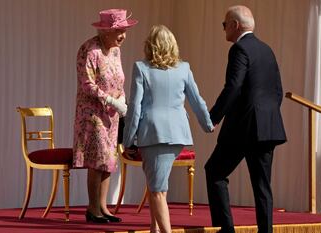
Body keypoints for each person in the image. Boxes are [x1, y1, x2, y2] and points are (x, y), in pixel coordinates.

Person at [122, 25, 214, 233]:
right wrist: (207, 124)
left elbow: (135, 108)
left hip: (154, 134)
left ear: (150, 46)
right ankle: (155, 229)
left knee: (157, 191)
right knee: (157, 185)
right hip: (177, 134)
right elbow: (197, 101)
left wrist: (127, 140)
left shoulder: (141, 68)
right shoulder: (184, 68)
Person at [204, 5, 287, 233]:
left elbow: (234, 86)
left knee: (214, 172)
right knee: (262, 187)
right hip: (268, 127)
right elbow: (278, 91)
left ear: (235, 25)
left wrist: (213, 117)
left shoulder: (240, 49)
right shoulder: (267, 49)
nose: (224, 30)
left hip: (244, 128)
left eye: (224, 25)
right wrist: (266, 116)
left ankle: (225, 229)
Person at [73, 8, 137, 223]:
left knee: (109, 160)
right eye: (119, 30)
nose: (123, 35)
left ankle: (103, 207)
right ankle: (93, 209)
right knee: (97, 159)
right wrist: (109, 100)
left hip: (112, 114)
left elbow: (118, 79)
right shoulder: (89, 50)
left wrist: (123, 100)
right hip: (93, 114)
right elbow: (87, 84)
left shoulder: (116, 51)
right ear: (105, 31)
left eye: (124, 31)